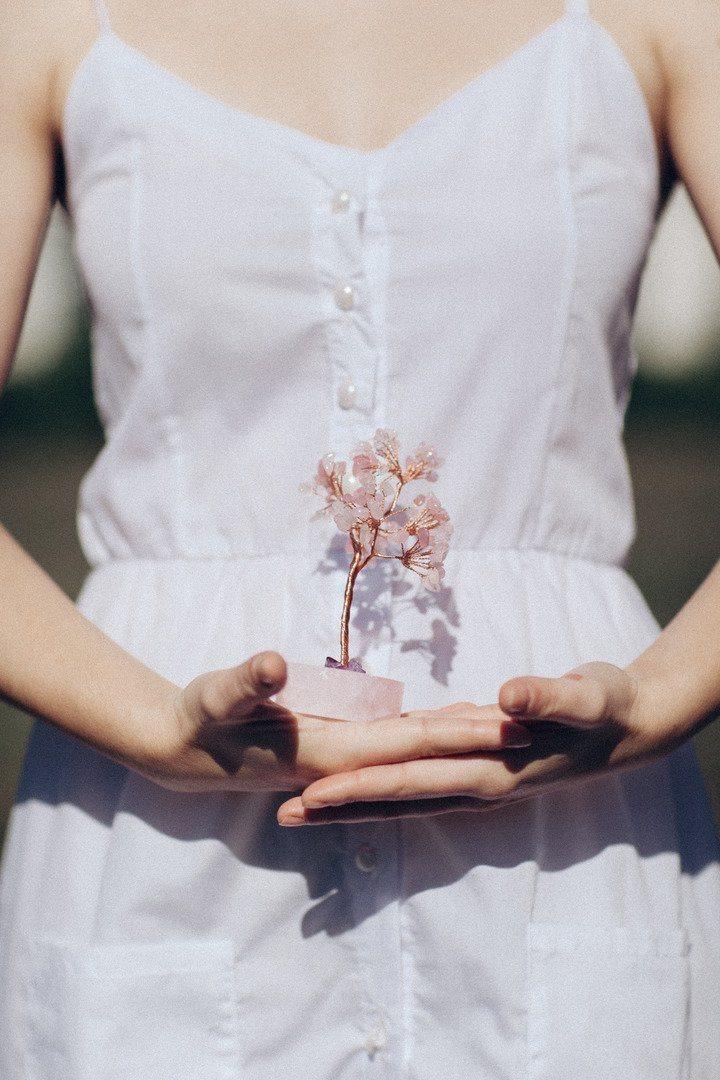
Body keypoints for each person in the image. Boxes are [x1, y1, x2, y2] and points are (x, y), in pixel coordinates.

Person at [0, 0, 719, 1075]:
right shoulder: (46, 22)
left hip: (567, 841)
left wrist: (656, 700)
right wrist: (153, 725)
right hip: (157, 847)